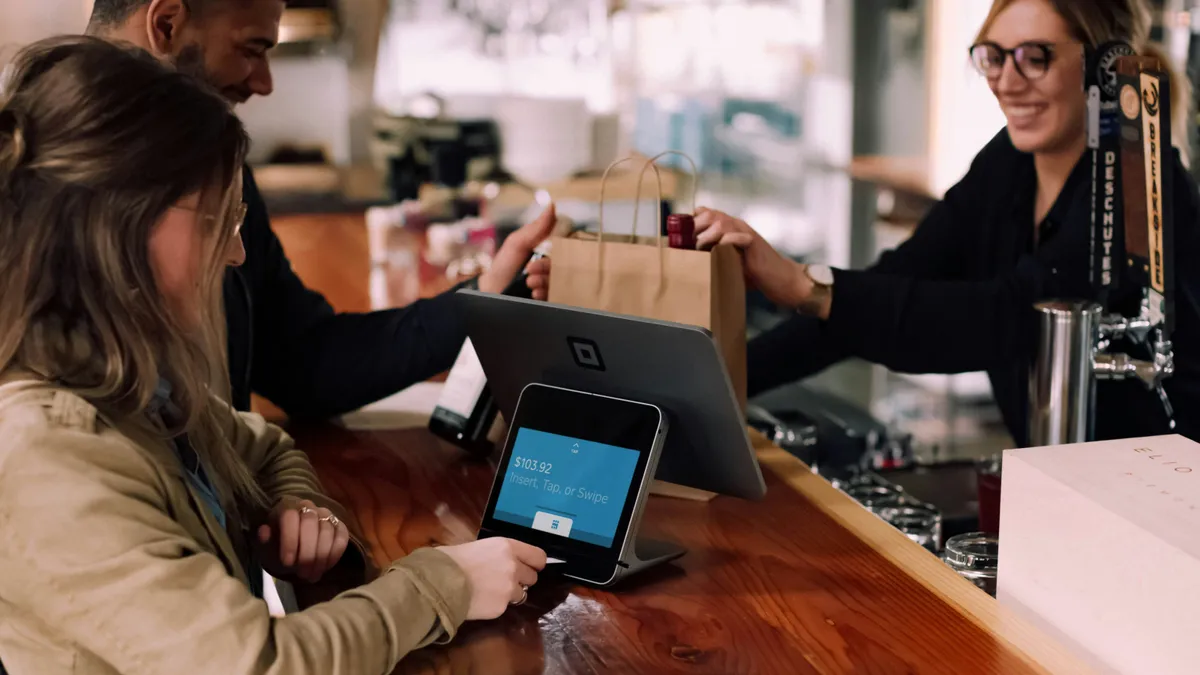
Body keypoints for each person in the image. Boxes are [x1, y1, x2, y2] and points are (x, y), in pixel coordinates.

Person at [0, 36, 544, 674]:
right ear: (116, 221)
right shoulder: (50, 456)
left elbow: (261, 445)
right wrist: (442, 583)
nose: (235, 255)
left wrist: (294, 508)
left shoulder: (124, 379)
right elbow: (258, 665)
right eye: (215, 218)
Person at [530, 0, 1200, 446]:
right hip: (1071, 484)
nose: (1006, 80)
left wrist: (802, 284)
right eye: (992, 56)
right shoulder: (1008, 168)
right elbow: (894, 283)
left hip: (1166, 497)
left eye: (1035, 56)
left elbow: (1002, 320)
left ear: (1105, 66)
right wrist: (702, 390)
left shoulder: (1139, 191)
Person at [85, 0, 554, 418]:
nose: (264, 83)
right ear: (166, 23)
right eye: (252, 48)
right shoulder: (31, 193)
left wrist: (484, 299)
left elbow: (303, 363)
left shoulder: (219, 170)